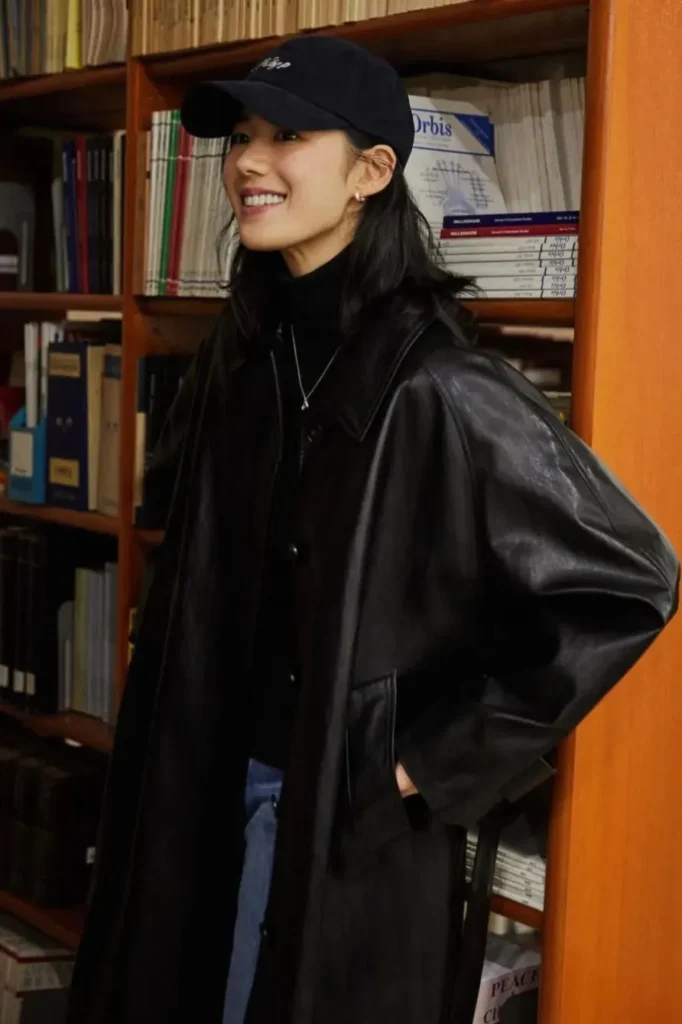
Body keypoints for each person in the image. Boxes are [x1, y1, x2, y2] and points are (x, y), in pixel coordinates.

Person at [66, 35, 678, 1024]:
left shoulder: (441, 383)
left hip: (324, 808)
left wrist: (423, 763)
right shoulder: (244, 352)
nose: (250, 162)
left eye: (289, 137)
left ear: (371, 172)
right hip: (196, 778)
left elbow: (628, 582)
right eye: (243, 138)